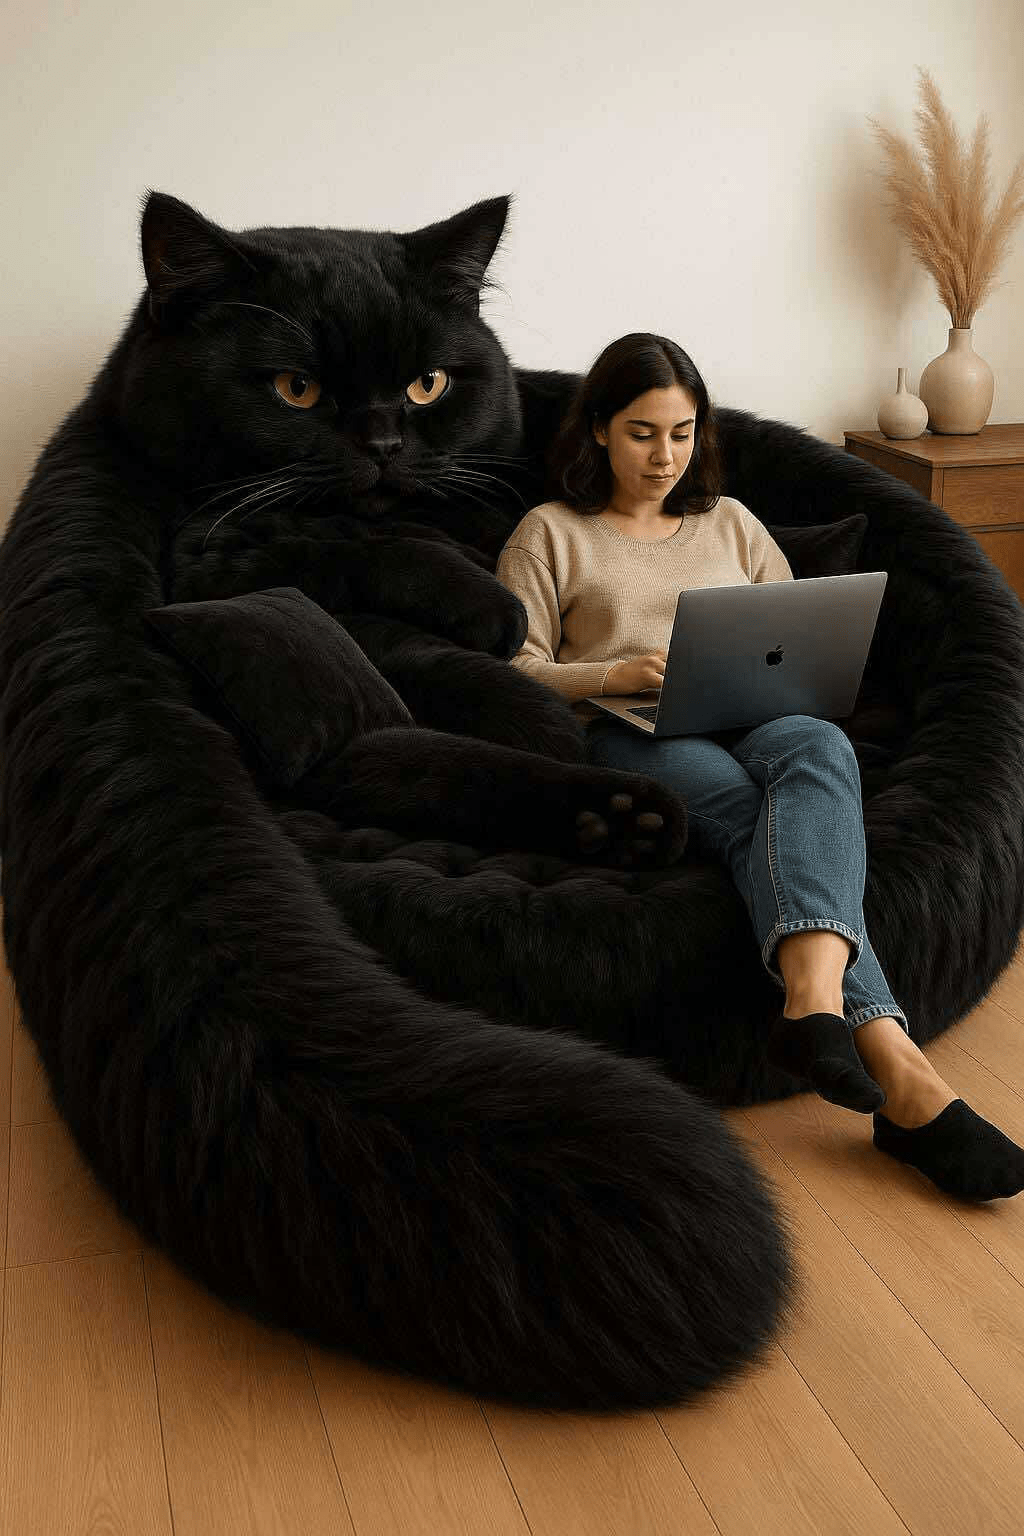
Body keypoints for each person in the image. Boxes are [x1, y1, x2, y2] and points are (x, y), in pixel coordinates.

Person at [495, 332, 1024, 1202]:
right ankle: (900, 1071)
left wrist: (802, 678)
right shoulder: (550, 534)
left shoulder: (733, 523)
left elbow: (792, 626)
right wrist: (609, 674)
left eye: (682, 432)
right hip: (638, 729)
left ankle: (812, 1006)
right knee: (751, 820)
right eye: (641, 432)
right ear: (595, 430)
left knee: (821, 748)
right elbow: (512, 667)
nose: (665, 456)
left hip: (758, 713)